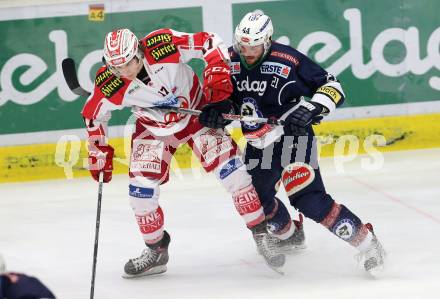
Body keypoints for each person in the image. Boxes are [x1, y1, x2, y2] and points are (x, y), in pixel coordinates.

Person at [81, 27, 286, 277]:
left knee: (235, 176)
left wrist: (217, 89)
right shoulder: (110, 82)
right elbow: (94, 115)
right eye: (116, 67)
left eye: (127, 64)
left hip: (198, 117)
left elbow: (208, 42)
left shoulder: (162, 43)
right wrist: (99, 154)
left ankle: (262, 234)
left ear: (139, 53)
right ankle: (156, 252)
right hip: (153, 129)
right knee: (140, 194)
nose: (123, 72)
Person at [198, 12, 386, 275]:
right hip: (258, 144)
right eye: (242, 45)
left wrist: (312, 108)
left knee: (310, 201)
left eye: (253, 46)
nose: (247, 51)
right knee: (256, 201)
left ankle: (368, 243)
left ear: (268, 40)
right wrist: (216, 110)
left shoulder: (288, 58)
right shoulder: (229, 60)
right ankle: (290, 235)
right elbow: (226, 99)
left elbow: (332, 86)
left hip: (294, 140)